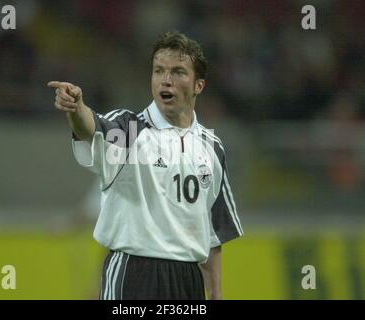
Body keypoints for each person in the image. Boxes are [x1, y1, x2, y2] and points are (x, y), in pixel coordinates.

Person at [47, 31, 243, 300]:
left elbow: (213, 234)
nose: (166, 80)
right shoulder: (130, 131)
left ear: (198, 85)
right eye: (159, 70)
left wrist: (217, 294)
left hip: (188, 281)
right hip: (134, 275)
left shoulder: (212, 148)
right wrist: (76, 108)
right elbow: (92, 129)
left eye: (177, 72)